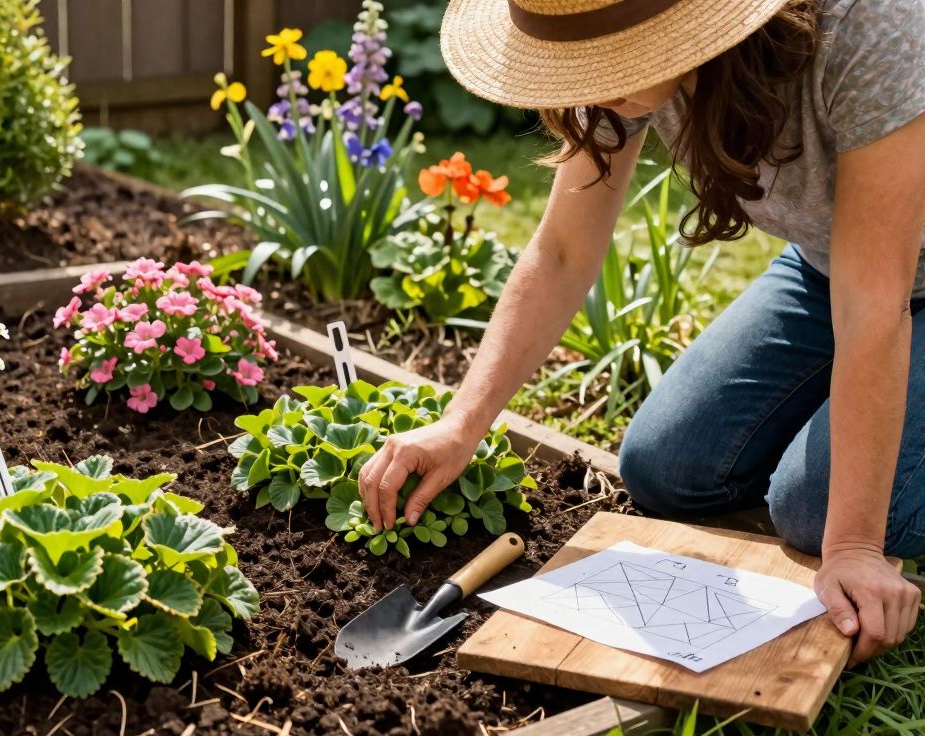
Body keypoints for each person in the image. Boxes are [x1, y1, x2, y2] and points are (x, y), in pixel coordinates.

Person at [357, 0, 925, 664]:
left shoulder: (870, 31)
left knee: (814, 510)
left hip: (879, 284)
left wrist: (852, 546)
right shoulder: (626, 55)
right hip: (835, 268)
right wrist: (462, 423)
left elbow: (873, 305)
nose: (592, 77)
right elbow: (564, 252)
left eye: (616, 51)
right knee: (668, 467)